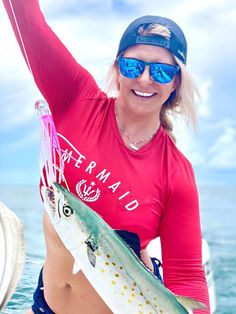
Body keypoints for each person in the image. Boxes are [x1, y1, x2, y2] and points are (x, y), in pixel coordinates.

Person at [3, 1, 210, 313]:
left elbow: (187, 276)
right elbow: (28, 23)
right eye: (132, 65)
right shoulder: (76, 98)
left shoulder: (177, 173)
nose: (145, 79)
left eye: (162, 70)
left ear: (176, 83)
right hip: (46, 305)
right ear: (117, 69)